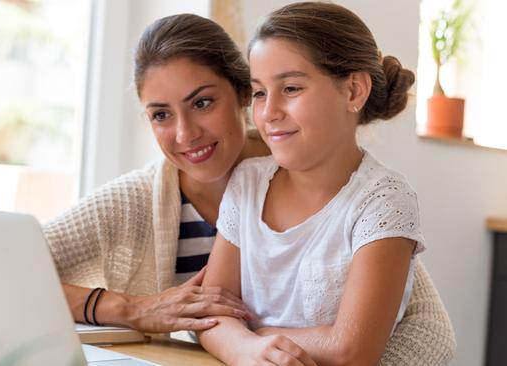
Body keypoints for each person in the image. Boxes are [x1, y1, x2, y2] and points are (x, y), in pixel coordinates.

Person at [43, 12, 455, 364]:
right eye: (161, 115)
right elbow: (1, 266)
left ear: (238, 95)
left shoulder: (373, 197)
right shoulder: (241, 185)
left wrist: (255, 333)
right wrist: (129, 309)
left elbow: (381, 339)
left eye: (202, 102)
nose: (185, 134)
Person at [198, 3, 455, 366]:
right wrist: (243, 349)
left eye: (290, 88)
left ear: (353, 92)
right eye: (258, 93)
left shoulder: (384, 201)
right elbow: (209, 314)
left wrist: (252, 334)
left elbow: (351, 350)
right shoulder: (247, 183)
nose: (269, 112)